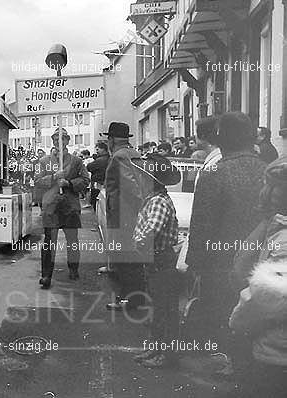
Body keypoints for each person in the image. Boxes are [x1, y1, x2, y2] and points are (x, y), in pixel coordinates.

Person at [186, 112, 267, 376]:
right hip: (264, 257)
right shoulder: (268, 169)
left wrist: (195, 264)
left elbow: (202, 224)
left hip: (222, 263)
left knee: (227, 313)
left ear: (221, 140)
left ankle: (234, 363)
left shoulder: (214, 173)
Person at [229, 157, 287, 396]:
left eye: (275, 185)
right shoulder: (276, 229)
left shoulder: (283, 241)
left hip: (276, 352)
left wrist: (237, 322)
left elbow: (265, 297)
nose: (267, 192)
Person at [130, 154, 181, 368]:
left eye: (143, 176)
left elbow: (151, 232)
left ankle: (165, 355)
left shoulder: (158, 202)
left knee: (164, 310)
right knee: (158, 308)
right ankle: (156, 349)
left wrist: (137, 244)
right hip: (157, 261)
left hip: (161, 261)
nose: (139, 180)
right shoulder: (153, 200)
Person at [103, 122, 154, 310]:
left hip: (123, 216)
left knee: (125, 259)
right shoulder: (135, 154)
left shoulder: (119, 157)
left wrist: (136, 208)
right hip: (133, 215)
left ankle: (128, 300)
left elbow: (130, 186)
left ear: (112, 140)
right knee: (133, 259)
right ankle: (136, 298)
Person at [35, 129, 90, 288]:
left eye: (63, 139)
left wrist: (69, 183)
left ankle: (73, 268)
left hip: (70, 206)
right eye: (56, 139)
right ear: (52, 141)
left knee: (72, 240)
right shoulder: (43, 161)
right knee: (49, 242)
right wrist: (53, 177)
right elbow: (37, 180)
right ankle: (46, 275)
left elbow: (85, 180)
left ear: (68, 141)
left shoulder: (76, 161)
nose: (60, 142)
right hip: (51, 207)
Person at [193, 116, 222, 187]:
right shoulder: (216, 158)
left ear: (202, 136)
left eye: (196, 134)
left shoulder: (216, 162)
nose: (195, 136)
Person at [87, 141, 110, 212]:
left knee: (98, 206)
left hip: (98, 185)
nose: (96, 151)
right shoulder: (110, 158)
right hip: (107, 184)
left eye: (97, 149)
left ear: (103, 149)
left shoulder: (100, 160)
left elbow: (89, 167)